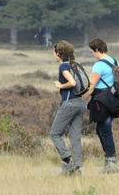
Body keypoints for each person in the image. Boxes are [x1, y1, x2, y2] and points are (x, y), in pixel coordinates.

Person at [82, 37, 119, 174]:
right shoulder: (115, 61)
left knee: (105, 130)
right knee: (101, 130)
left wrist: (83, 98)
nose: (93, 55)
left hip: (101, 100)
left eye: (92, 52)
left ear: (97, 50)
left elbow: (92, 85)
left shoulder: (99, 65)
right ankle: (108, 160)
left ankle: (111, 162)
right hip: (114, 100)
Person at [50, 40, 87, 177]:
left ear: (59, 53)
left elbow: (72, 82)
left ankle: (68, 161)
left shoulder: (63, 67)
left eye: (54, 53)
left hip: (69, 103)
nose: (54, 55)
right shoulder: (75, 65)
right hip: (81, 103)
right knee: (75, 136)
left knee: (54, 133)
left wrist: (61, 86)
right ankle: (77, 167)